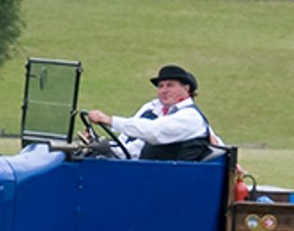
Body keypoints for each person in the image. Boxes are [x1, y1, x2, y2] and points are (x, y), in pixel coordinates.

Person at [87, 65, 222, 161]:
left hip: (169, 179)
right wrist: (103, 145)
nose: (163, 90)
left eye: (170, 85)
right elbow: (133, 144)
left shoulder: (189, 117)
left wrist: (110, 120)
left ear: (186, 89)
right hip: (143, 169)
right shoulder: (153, 108)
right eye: (161, 86)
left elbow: (153, 132)